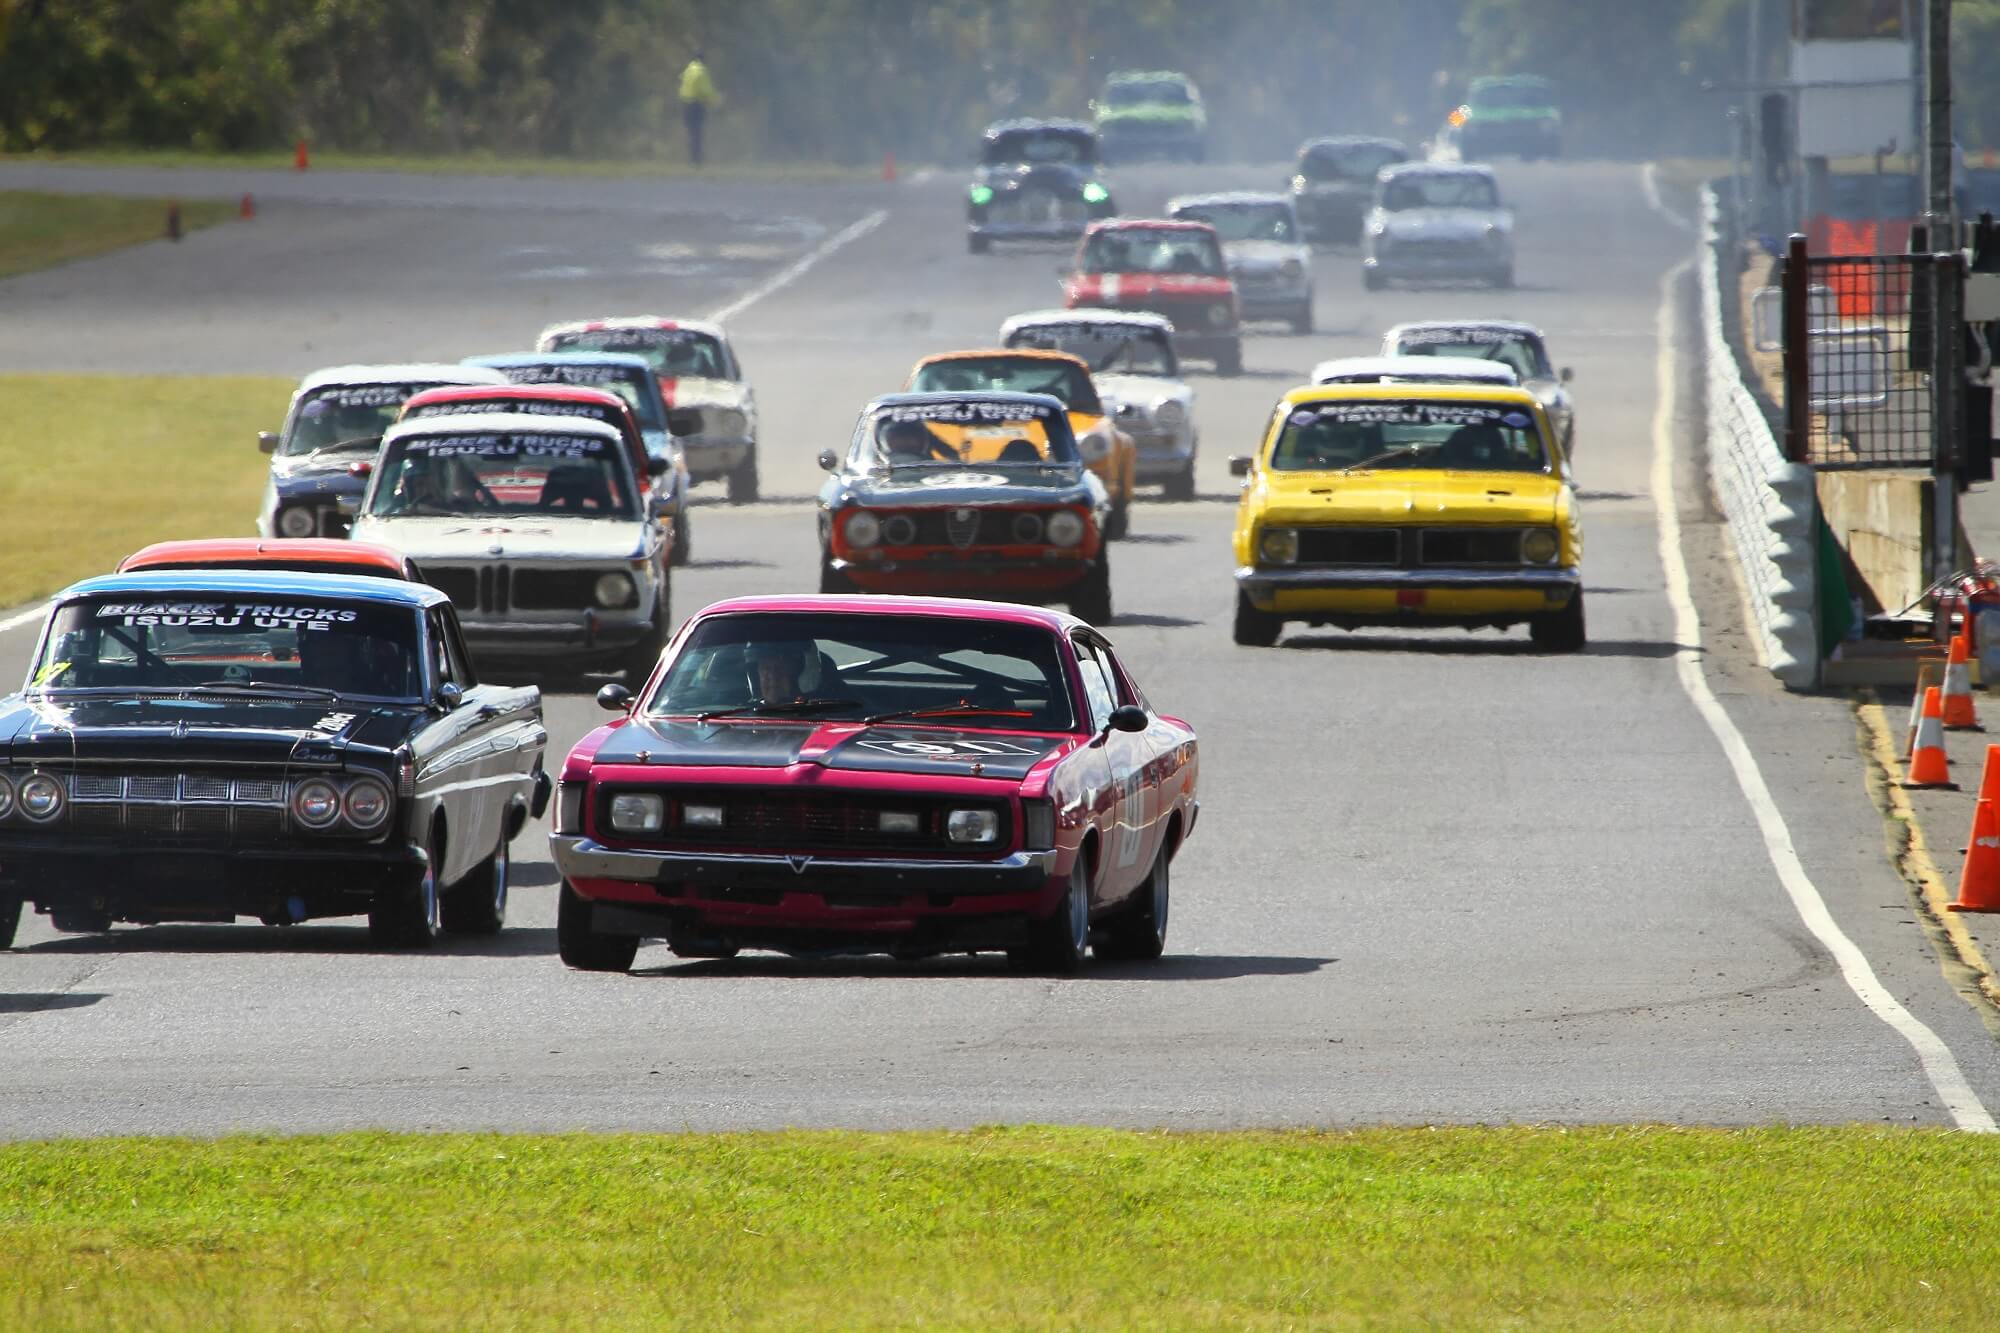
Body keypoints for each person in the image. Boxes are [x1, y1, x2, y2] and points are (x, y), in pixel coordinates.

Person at [679, 51, 720, 168]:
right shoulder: (702, 71)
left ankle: (692, 159)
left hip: (686, 105)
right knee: (698, 133)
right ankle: (697, 161)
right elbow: (706, 90)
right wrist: (715, 102)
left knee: (691, 133)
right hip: (697, 105)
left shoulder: (688, 70)